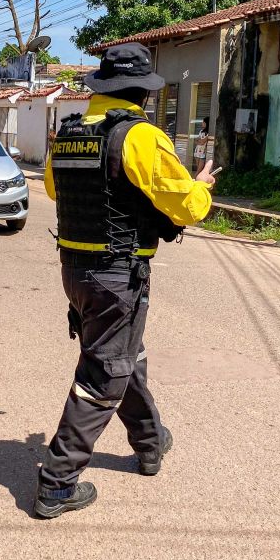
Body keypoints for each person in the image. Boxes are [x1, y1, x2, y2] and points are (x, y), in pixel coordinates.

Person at [35, 42, 216, 519]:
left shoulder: (72, 133)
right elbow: (187, 207)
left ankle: (150, 441)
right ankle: (56, 482)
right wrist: (201, 186)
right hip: (117, 273)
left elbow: (54, 188)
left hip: (74, 268)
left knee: (122, 355)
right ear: (142, 92)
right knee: (104, 372)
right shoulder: (139, 136)